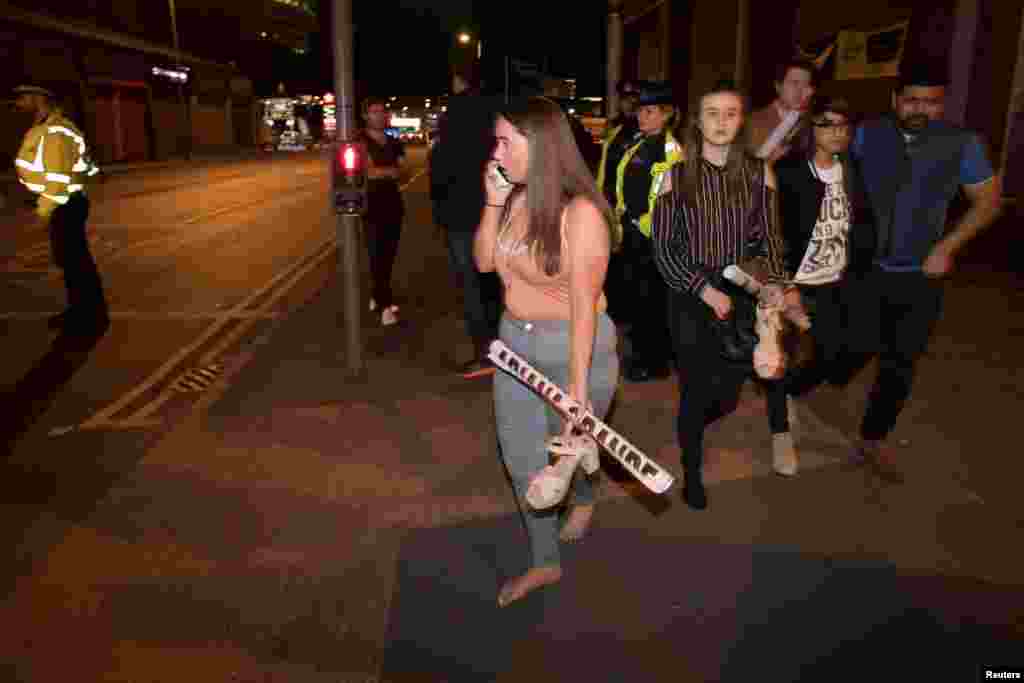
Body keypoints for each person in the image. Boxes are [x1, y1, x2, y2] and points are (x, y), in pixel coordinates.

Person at [474, 97, 619, 606]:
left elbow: (584, 308)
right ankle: (544, 563)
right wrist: (492, 202)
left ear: (540, 146)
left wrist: (577, 393)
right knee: (522, 461)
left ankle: (584, 493)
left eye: (504, 141)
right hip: (514, 344)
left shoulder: (582, 214)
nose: (495, 151)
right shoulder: (513, 197)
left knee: (568, 452)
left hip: (574, 346)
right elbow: (485, 263)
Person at [844, 63, 1002, 481]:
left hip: (920, 274)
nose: (920, 108)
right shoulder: (866, 134)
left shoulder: (962, 143)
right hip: (865, 268)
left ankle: (873, 439)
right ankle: (807, 383)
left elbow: (988, 200)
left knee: (901, 359)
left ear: (942, 104)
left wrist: (947, 247)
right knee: (849, 347)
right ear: (895, 100)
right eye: (912, 99)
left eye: (931, 102)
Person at [651, 80, 787, 510]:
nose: (721, 122)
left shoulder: (759, 170)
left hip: (743, 289)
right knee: (694, 387)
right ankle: (691, 471)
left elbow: (771, 239)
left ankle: (690, 425)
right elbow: (663, 249)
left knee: (728, 392)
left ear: (741, 120)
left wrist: (775, 286)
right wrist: (703, 290)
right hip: (689, 292)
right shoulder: (674, 176)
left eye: (730, 113)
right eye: (712, 112)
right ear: (698, 120)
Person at [763, 96, 876, 476]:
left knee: (833, 353)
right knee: (779, 359)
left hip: (834, 283)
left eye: (844, 125)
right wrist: (782, 283)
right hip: (792, 283)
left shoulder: (853, 170)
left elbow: (863, 223)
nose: (838, 132)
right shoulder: (793, 171)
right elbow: (771, 231)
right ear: (812, 129)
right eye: (828, 124)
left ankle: (792, 391)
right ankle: (780, 435)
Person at [12, 84, 107, 337]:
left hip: (64, 203)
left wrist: (43, 211)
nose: (18, 102)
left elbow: (57, 177)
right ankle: (84, 311)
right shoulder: (52, 127)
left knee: (75, 262)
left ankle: (88, 315)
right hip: (67, 201)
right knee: (73, 261)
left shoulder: (55, 131)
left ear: (38, 98)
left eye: (23, 97)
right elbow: (84, 164)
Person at [607, 81, 682, 381]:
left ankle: (655, 362)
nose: (642, 116)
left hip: (654, 238)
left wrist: (651, 226)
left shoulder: (670, 149)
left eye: (650, 111)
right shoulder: (640, 141)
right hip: (634, 234)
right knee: (638, 298)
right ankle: (642, 354)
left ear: (666, 115)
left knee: (652, 301)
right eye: (641, 110)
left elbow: (673, 197)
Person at [430, 67, 502, 377]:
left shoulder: (453, 113)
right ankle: (508, 349)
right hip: (493, 208)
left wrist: (439, 207)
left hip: (460, 212)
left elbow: (441, 167)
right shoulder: (493, 110)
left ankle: (485, 352)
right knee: (496, 280)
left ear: (459, 81)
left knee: (471, 283)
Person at [596, 79, 643, 324]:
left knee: (630, 270)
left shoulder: (646, 132)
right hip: (608, 209)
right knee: (611, 267)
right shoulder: (615, 129)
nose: (629, 102)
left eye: (634, 97)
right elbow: (605, 169)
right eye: (624, 97)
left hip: (632, 215)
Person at [359, 96, 405, 326]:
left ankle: (378, 296)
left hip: (394, 204)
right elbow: (367, 173)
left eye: (382, 111)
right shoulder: (360, 141)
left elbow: (401, 172)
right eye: (374, 112)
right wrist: (388, 171)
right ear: (366, 115)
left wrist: (381, 171)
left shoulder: (394, 141)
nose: (380, 115)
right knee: (376, 255)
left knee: (388, 256)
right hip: (370, 205)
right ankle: (385, 306)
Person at [748, 59, 816, 162]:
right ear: (778, 86)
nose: (800, 90)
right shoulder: (753, 121)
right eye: (795, 83)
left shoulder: (813, 122)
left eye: (806, 84)